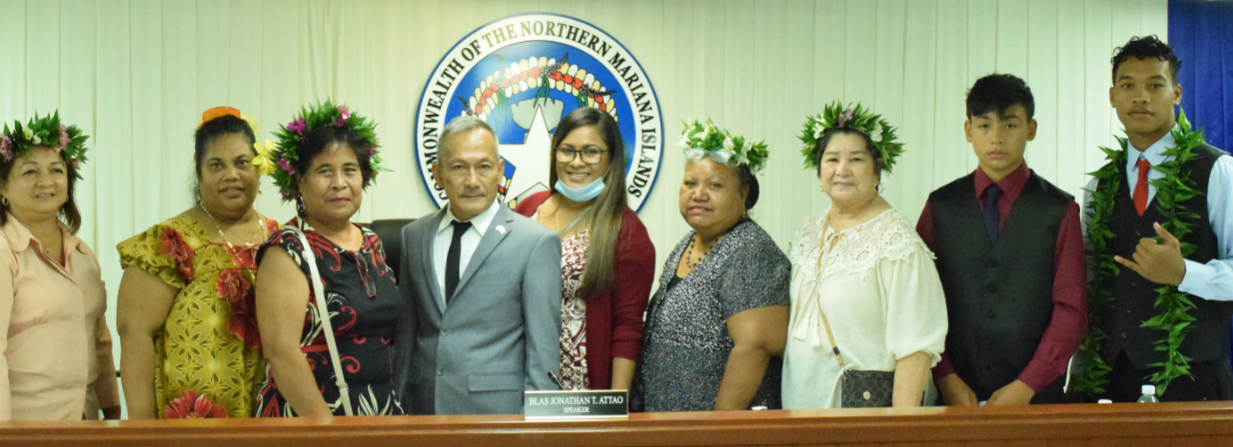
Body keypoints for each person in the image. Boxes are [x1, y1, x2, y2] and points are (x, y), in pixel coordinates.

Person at [1076, 35, 1233, 402]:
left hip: (1195, 383)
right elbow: (1088, 278)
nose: (1141, 96)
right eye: (1128, 85)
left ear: (1176, 93)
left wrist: (1184, 274)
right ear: (1112, 96)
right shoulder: (1099, 184)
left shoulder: (1219, 171)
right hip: (1111, 380)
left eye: (1155, 85)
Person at [917, 74, 1087, 406]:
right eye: (984, 126)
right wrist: (946, 376)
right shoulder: (940, 207)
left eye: (1009, 125)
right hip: (953, 397)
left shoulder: (1059, 210)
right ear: (968, 131)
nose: (996, 138)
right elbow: (920, 302)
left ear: (1031, 129)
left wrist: (1027, 385)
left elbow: (1072, 309)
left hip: (1037, 399)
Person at [783, 103, 947, 409]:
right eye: (832, 159)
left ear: (877, 169)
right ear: (819, 170)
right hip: (801, 409)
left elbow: (916, 349)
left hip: (865, 417)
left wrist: (898, 432)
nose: (842, 170)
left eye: (856, 159)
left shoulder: (897, 242)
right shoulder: (808, 230)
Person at [117, 107, 276, 419]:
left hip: (273, 418)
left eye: (242, 163)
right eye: (216, 165)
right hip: (189, 428)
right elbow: (134, 332)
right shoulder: (170, 242)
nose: (231, 174)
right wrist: (142, 428)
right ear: (199, 172)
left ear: (259, 168)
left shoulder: (282, 241)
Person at [398, 116, 561, 415]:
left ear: (500, 171)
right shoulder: (414, 236)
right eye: (459, 167)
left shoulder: (535, 243)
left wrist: (540, 428)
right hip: (422, 411)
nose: (472, 181)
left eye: (484, 167)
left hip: (497, 416)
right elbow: (407, 333)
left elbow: (543, 354)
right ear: (438, 173)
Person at [254, 101, 404, 417]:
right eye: (324, 171)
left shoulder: (373, 242)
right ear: (298, 182)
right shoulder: (287, 250)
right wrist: (326, 429)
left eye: (350, 170)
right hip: (312, 418)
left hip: (379, 413)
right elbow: (281, 352)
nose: (339, 182)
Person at [630, 119, 789, 412]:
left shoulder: (750, 249)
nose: (698, 194)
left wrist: (717, 429)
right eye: (690, 183)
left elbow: (756, 347)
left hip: (720, 434)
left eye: (714, 185)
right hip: (672, 427)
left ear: (743, 194)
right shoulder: (690, 242)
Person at [514, 108, 655, 391]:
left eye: (591, 152)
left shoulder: (626, 231)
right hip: (517, 374)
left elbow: (628, 326)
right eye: (567, 150)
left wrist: (616, 405)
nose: (576, 162)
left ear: (611, 160)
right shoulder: (529, 207)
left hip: (578, 385)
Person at [0, 112, 118, 420]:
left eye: (56, 170)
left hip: (84, 422)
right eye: (29, 172)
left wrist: (113, 410)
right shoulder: (4, 250)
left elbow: (100, 341)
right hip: (25, 428)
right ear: (2, 188)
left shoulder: (81, 253)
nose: (46, 181)